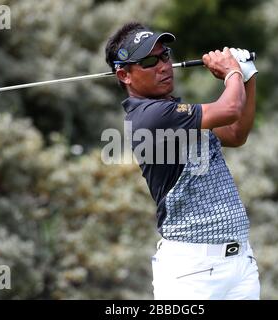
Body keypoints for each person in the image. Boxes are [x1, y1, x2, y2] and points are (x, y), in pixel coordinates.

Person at [105, 22, 259, 300]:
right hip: (192, 273)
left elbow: (236, 134)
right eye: (149, 61)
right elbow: (231, 108)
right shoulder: (149, 117)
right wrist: (233, 71)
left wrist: (247, 76)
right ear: (124, 74)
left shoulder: (173, 110)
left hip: (239, 266)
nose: (163, 66)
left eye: (165, 55)